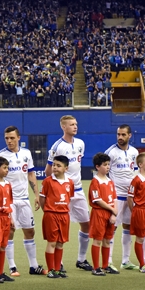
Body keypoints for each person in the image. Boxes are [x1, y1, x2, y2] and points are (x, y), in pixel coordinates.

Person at [0, 126, 43, 276]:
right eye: (7, 138)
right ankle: (12, 266)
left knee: (30, 231)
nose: (9, 141)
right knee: (10, 231)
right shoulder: (0, 156)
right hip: (9, 201)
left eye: (12, 138)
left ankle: (33, 266)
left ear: (19, 138)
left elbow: (31, 174)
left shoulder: (26, 153)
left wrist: (36, 195)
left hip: (24, 199)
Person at [46, 116, 92, 271]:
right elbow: (48, 171)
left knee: (86, 224)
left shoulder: (80, 143)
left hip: (78, 190)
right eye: (72, 124)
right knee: (59, 228)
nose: (75, 126)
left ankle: (81, 259)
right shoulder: (57, 146)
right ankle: (59, 263)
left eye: (76, 124)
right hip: (62, 193)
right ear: (63, 127)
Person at [105, 125, 139, 271]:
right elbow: (104, 172)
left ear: (129, 135)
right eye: (118, 134)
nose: (120, 137)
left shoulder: (134, 152)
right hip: (116, 196)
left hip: (130, 196)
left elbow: (135, 172)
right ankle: (109, 260)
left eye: (123, 134)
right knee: (112, 227)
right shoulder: (110, 152)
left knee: (128, 227)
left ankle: (125, 261)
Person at [39, 155, 73, 279]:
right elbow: (42, 199)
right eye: (54, 165)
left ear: (66, 168)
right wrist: (47, 211)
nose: (55, 168)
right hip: (51, 214)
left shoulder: (70, 182)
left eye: (58, 166)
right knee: (52, 242)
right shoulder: (48, 181)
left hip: (64, 215)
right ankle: (51, 269)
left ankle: (58, 269)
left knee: (60, 243)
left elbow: (69, 198)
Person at [88, 153, 118, 276]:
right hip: (99, 213)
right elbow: (97, 200)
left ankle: (105, 266)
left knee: (107, 240)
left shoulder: (110, 181)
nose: (107, 167)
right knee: (98, 240)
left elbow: (114, 198)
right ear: (97, 167)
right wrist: (112, 209)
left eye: (108, 164)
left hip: (110, 214)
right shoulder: (95, 181)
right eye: (105, 165)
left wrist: (114, 213)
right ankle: (96, 267)